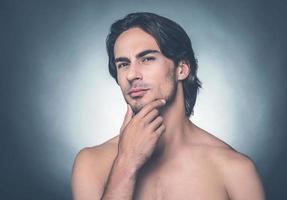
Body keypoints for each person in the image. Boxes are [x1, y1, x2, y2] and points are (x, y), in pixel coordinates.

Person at [71, 12, 265, 200]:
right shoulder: (91, 163)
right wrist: (126, 163)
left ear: (181, 69)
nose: (131, 75)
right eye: (123, 64)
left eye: (147, 59)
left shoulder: (235, 170)